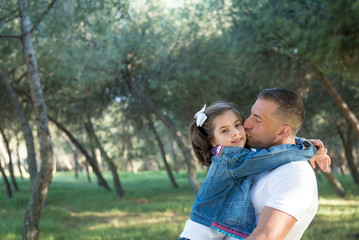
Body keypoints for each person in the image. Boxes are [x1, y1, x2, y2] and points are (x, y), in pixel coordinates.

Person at [178, 101, 326, 240]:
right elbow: (270, 157)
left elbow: (274, 142)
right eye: (224, 130)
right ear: (213, 141)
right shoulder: (230, 159)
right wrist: (307, 150)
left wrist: (299, 142)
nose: (235, 133)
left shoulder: (237, 152)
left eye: (237, 125)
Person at [244, 88, 331, 240]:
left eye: (257, 120)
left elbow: (265, 237)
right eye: (251, 115)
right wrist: (305, 145)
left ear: (282, 132)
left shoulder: (294, 174)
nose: (246, 124)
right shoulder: (258, 158)